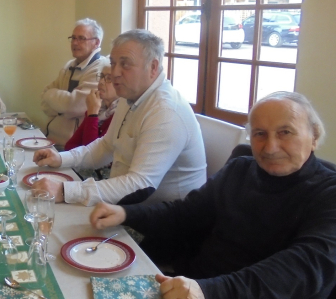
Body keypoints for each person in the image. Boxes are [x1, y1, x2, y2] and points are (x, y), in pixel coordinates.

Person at [90, 92, 336, 299]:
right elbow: (185, 213)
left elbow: (302, 268)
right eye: (260, 134)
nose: (270, 147)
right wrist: (125, 213)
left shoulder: (328, 193)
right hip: (192, 284)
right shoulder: (240, 169)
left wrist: (208, 290)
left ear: (314, 136)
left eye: (285, 132)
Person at [33, 29, 207, 205]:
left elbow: (140, 185)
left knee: (44, 212)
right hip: (128, 206)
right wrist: (61, 158)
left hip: (164, 217)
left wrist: (65, 191)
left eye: (125, 64)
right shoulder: (130, 95)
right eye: (113, 63)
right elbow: (106, 146)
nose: (115, 72)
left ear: (153, 67)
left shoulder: (165, 112)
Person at [41, 18, 110, 146]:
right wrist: (63, 107)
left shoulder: (100, 68)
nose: (75, 43)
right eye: (73, 38)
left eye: (81, 38)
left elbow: (75, 106)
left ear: (96, 42)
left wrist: (55, 100)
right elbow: (44, 102)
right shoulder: (69, 66)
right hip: (49, 138)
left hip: (72, 146)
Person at [65, 64, 120, 151]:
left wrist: (92, 114)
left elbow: (93, 153)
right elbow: (70, 146)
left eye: (109, 78)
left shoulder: (120, 115)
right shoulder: (98, 108)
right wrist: (92, 113)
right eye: (101, 76)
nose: (101, 82)